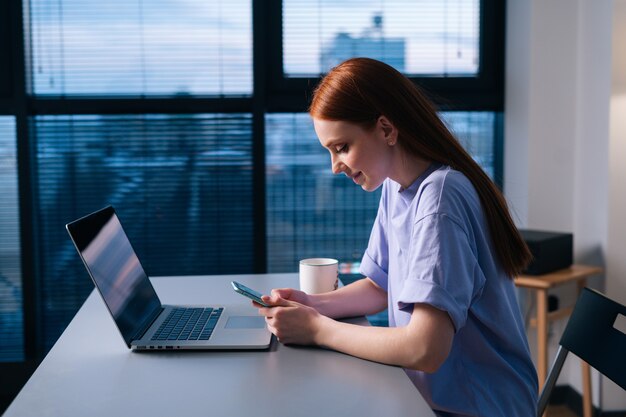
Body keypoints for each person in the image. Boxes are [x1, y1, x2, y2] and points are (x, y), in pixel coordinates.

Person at [255, 57, 538, 416]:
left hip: (478, 407)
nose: (335, 166)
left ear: (387, 129)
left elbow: (425, 349)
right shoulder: (396, 187)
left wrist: (316, 330)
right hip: (427, 398)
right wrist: (312, 305)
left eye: (342, 148)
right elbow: (382, 287)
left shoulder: (439, 199)